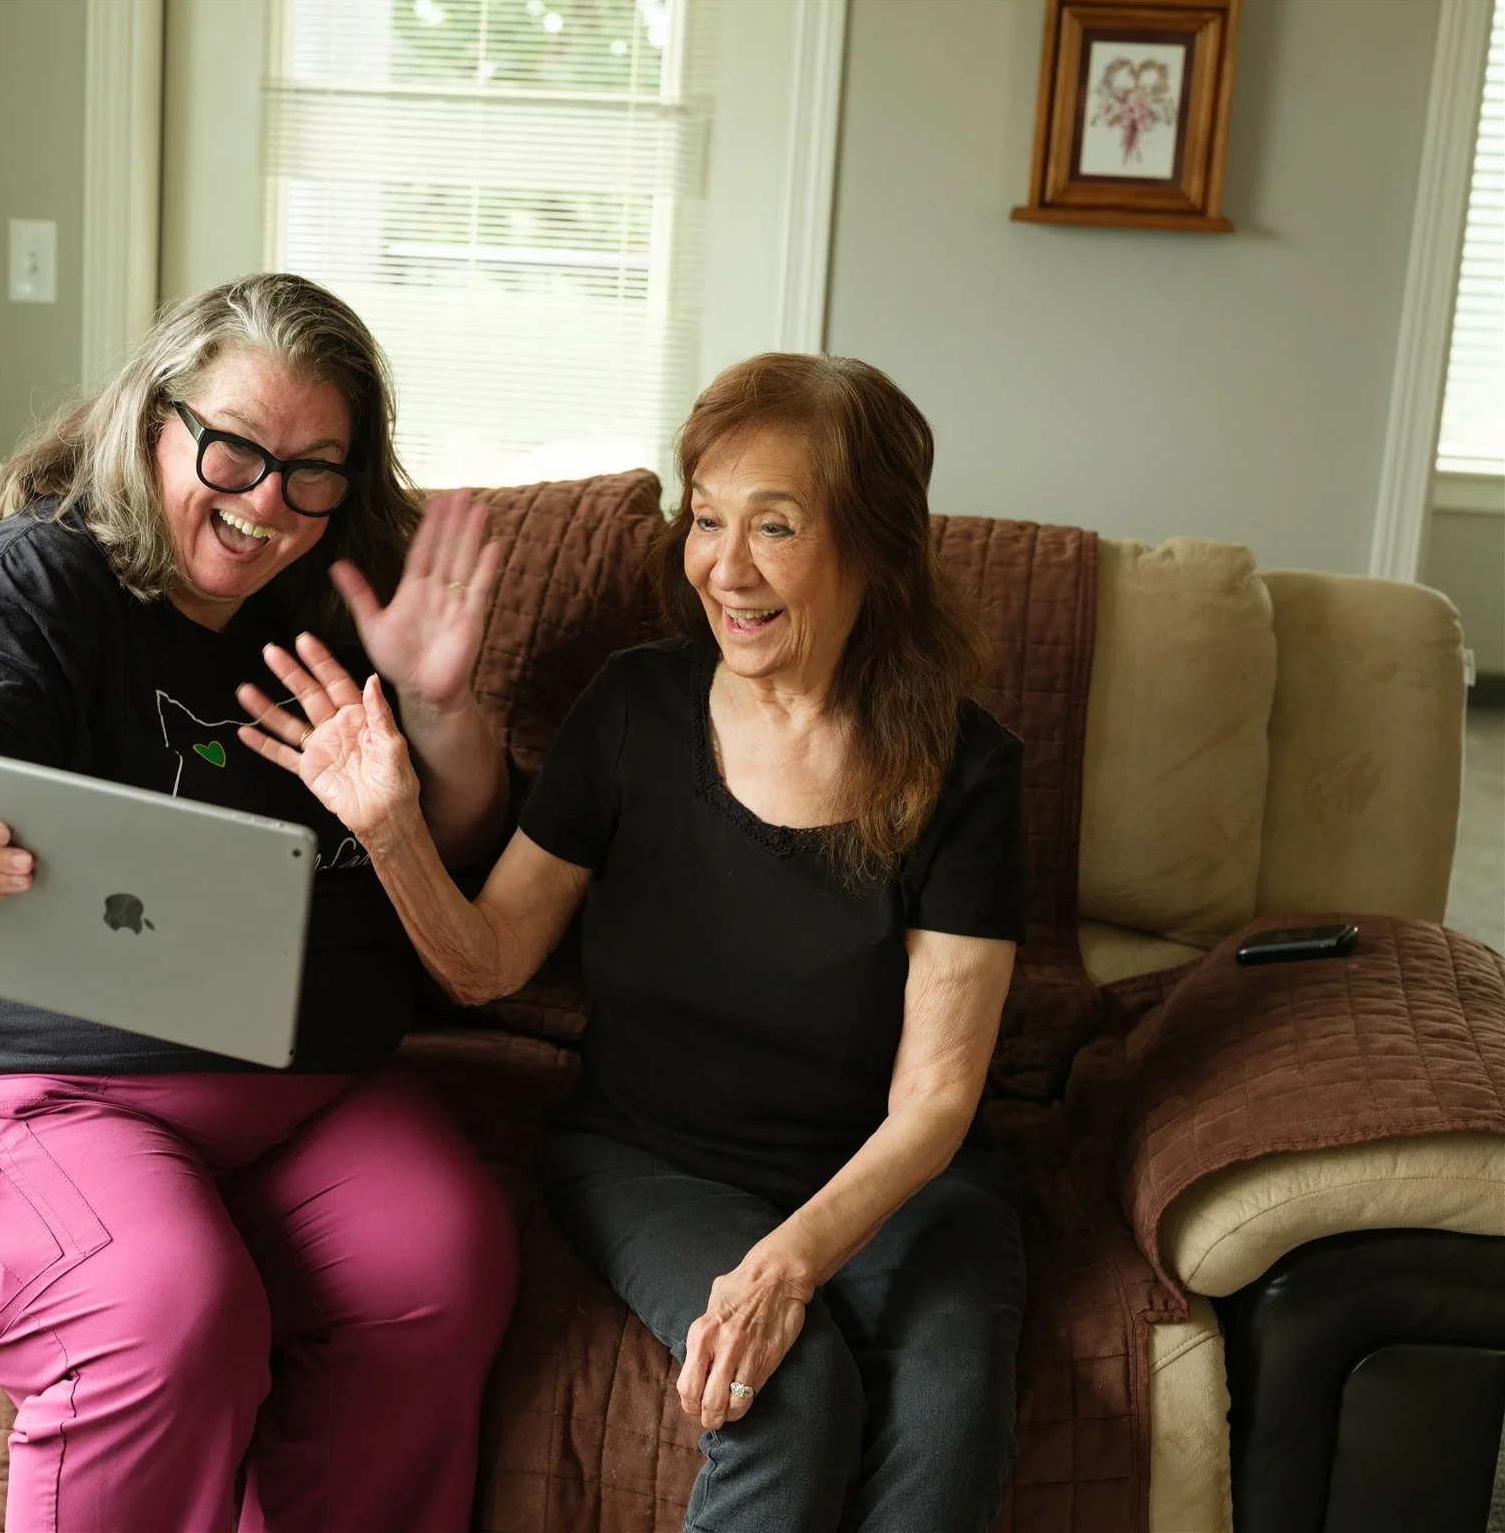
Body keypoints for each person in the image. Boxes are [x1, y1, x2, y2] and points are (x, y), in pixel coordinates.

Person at [241, 352, 1028, 1532]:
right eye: (705, 519)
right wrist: (392, 829)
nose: (724, 566)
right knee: (788, 1386)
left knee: (955, 1398)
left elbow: (931, 1103)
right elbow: (485, 963)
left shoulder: (966, 770)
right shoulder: (632, 710)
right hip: (654, 1155)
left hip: (887, 1174)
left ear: (874, 545)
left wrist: (786, 1263)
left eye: (775, 526)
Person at [0, 273, 519, 1533]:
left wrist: (438, 709)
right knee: (156, 1314)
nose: (263, 504)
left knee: (438, 1264)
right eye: (232, 449)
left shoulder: (341, 605)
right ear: (153, 418)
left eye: (312, 471)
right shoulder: (35, 581)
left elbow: (452, 852)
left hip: (283, 1086)